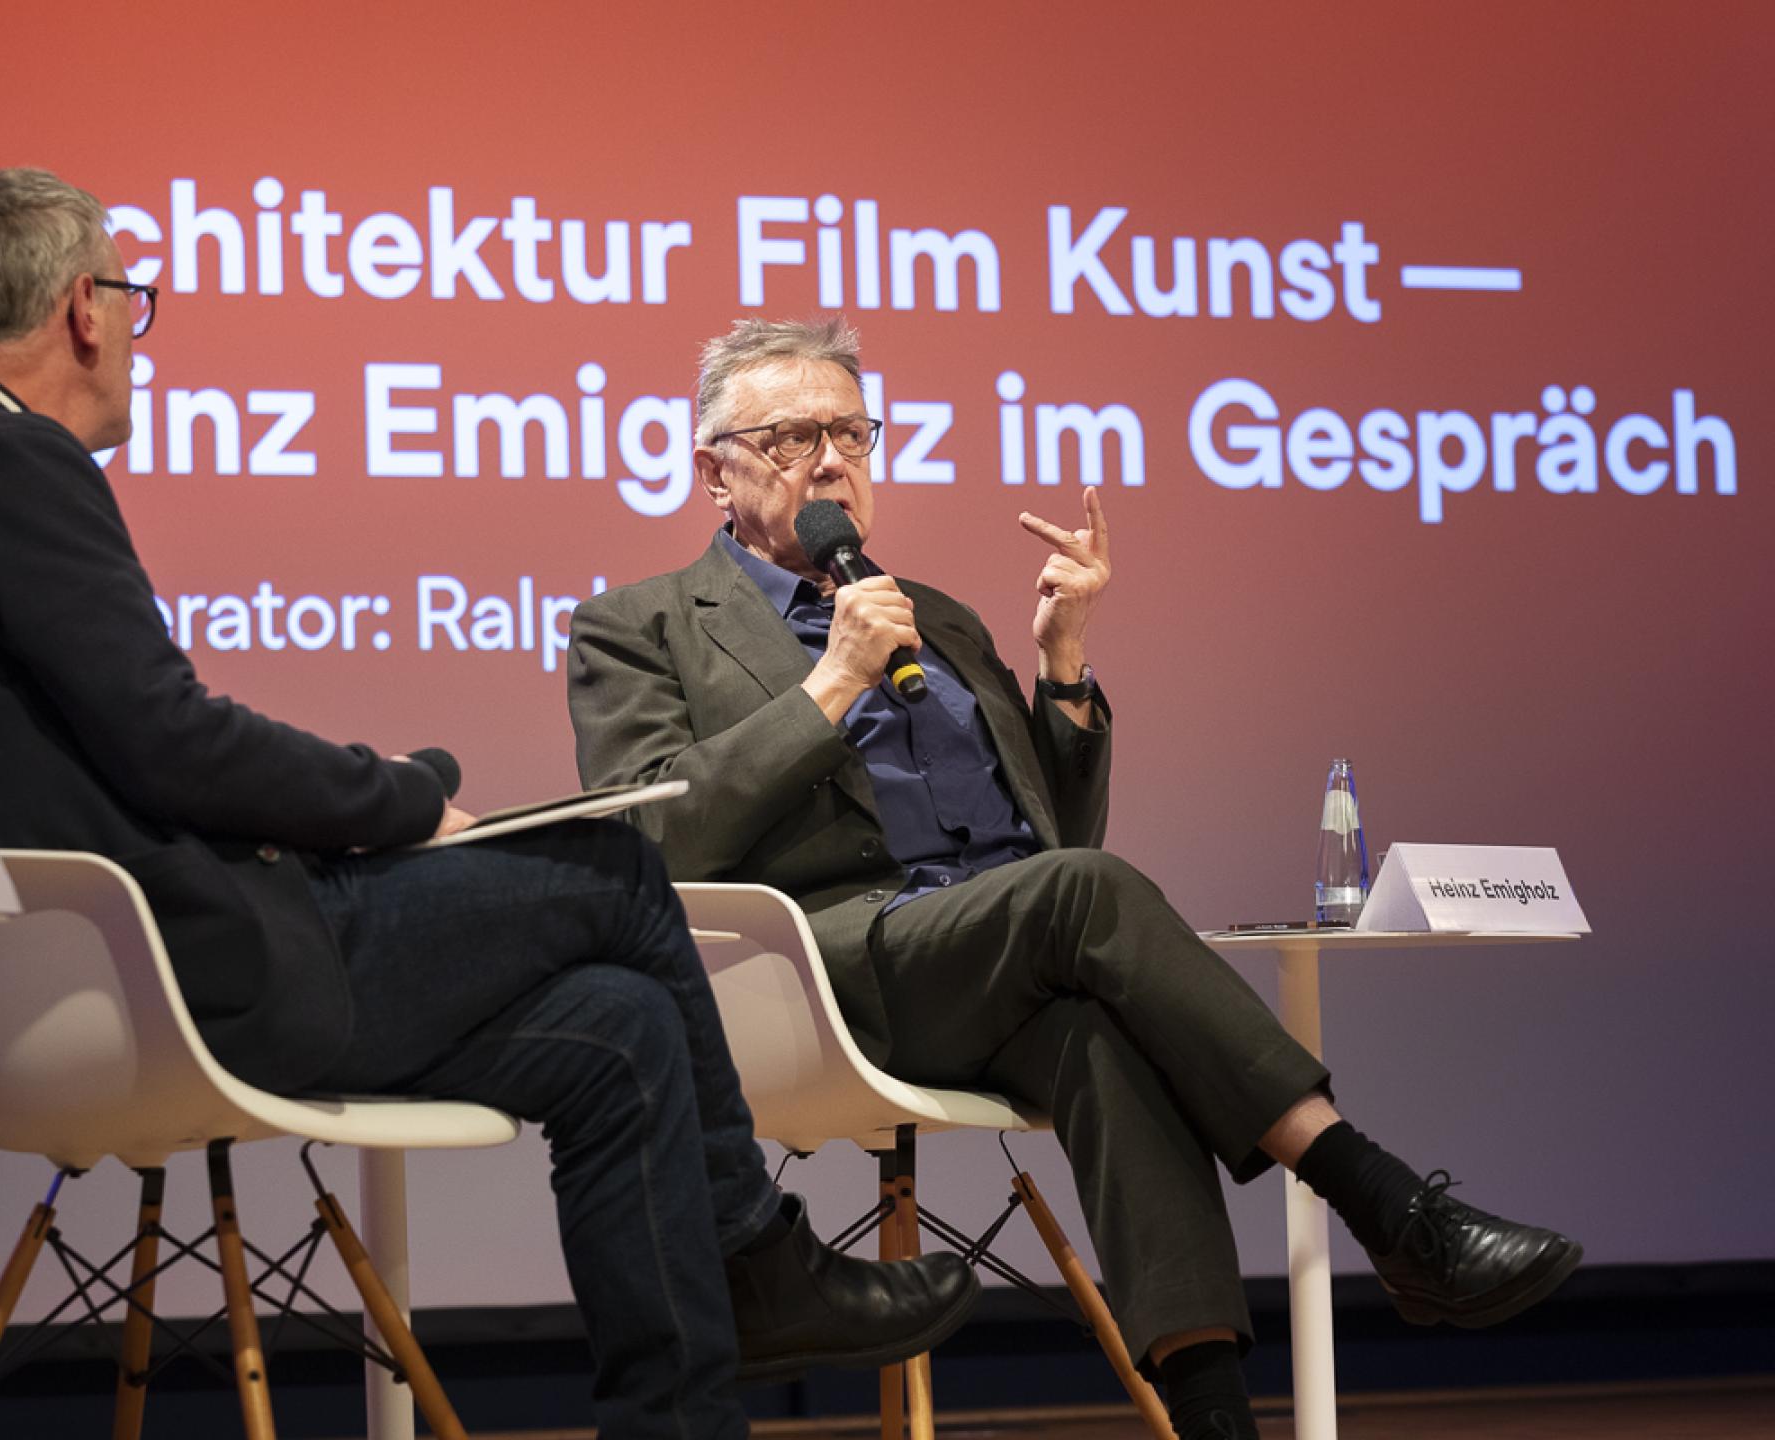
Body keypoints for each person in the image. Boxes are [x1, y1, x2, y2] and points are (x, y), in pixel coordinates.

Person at [0, 172, 977, 1439]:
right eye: (133, 303)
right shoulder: (5, 460)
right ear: (80, 311)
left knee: (622, 1026)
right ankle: (761, 1257)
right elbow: (173, 740)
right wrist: (407, 799)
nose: (140, 348)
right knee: (619, 876)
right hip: (169, 973)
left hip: (113, 965)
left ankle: (685, 1415)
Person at [565, 316, 1583, 1440]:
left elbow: (1052, 836)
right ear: (716, 471)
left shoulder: (934, 617)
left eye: (854, 430)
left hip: (1000, 950)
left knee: (1103, 1038)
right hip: (825, 973)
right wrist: (830, 686)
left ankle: (1215, 1422)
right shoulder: (641, 626)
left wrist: (1061, 662)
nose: (834, 460)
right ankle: (1385, 1203)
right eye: (795, 435)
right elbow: (656, 842)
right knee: (1088, 898)